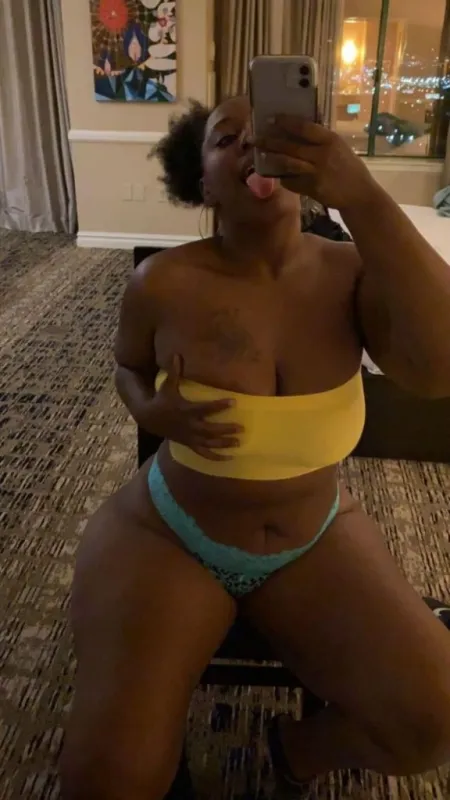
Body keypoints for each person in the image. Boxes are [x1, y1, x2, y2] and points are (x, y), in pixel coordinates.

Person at [60, 96, 450, 800]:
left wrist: (360, 193)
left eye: (266, 132)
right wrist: (150, 407)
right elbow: (125, 367)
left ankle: (295, 751)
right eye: (225, 139)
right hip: (167, 535)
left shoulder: (353, 274)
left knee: (434, 720)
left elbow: (440, 370)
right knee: (108, 780)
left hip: (313, 538)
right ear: (201, 184)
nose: (249, 145)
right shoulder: (162, 280)